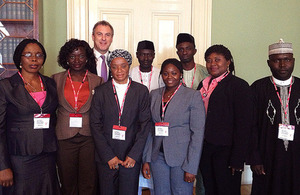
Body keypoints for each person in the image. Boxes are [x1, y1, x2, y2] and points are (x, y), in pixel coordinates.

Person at [0, 39, 60, 194]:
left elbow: (53, 118)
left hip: (47, 155)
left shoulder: (50, 83)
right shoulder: (6, 86)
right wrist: (3, 166)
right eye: (28, 54)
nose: (34, 59)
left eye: (39, 55)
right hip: (20, 158)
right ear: (20, 58)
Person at [90, 49, 151, 195]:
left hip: (130, 156)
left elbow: (144, 125)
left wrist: (134, 155)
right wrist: (108, 156)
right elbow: (95, 125)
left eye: (123, 65)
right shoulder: (100, 91)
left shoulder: (141, 91)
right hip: (107, 157)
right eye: (114, 66)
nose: (119, 70)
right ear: (110, 67)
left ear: (129, 66)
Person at [142, 58, 205, 195]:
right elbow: (149, 129)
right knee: (160, 192)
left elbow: (198, 134)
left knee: (180, 192)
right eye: (165, 73)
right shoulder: (154, 95)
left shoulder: (192, 96)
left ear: (180, 74)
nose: (169, 77)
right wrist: (146, 159)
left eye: (174, 73)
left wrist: (191, 167)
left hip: (182, 158)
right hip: (157, 156)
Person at [197, 45, 252, 195]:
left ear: (228, 61)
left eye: (217, 60)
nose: (212, 64)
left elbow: (244, 125)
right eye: (208, 60)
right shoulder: (203, 84)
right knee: (210, 188)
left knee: (227, 190)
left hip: (227, 151)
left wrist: (238, 158)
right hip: (206, 148)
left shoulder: (239, 86)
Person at [247, 39, 300, 195]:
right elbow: (251, 126)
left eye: (287, 60)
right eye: (277, 60)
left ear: (293, 61)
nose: (283, 65)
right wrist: (255, 158)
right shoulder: (257, 88)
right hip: (267, 156)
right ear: (269, 63)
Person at [52, 39, 103, 195]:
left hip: (88, 137)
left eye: (81, 56)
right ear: (66, 58)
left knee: (89, 181)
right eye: (72, 56)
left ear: (87, 57)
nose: (76, 60)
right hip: (64, 136)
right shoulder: (55, 79)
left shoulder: (97, 80)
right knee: (67, 181)